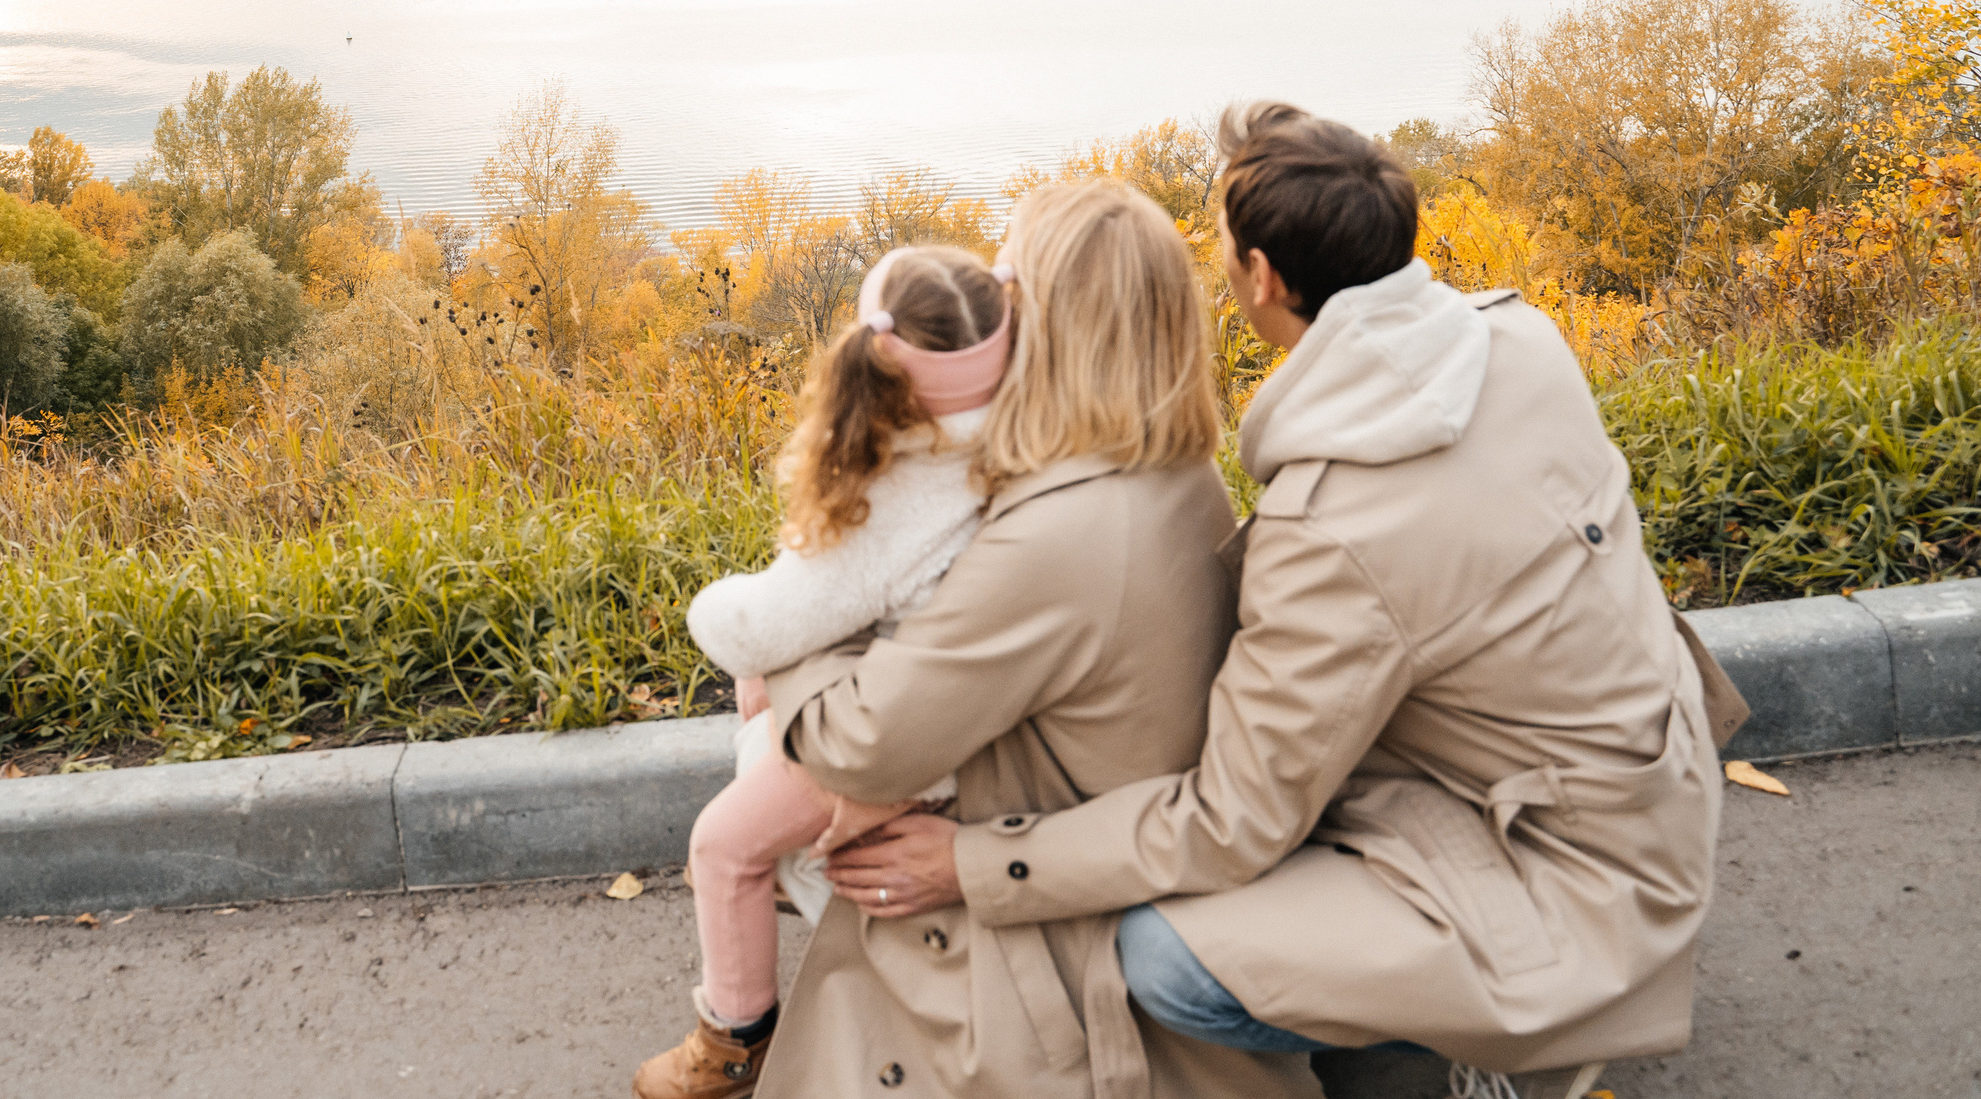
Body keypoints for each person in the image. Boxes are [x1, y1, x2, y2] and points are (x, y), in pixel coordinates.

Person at [811, 105, 1750, 1099]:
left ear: (1260, 275)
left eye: (1218, 240)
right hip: (1650, 781)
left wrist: (976, 863)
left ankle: (1448, 1055)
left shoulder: (1333, 523)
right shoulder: (1516, 338)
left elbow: (1227, 824)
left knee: (1162, 956)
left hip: (1567, 872)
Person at [752, 183, 1321, 1099]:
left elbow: (858, 742)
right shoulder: (1172, 466)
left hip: (1061, 969)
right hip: (1110, 874)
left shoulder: (1064, 534)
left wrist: (782, 631)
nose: (990, 306)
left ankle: (733, 1031)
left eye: (1005, 282)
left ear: (1055, 318)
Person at [634, 244, 1013, 1099]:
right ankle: (797, 877)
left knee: (722, 844)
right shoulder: (1016, 439)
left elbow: (757, 627)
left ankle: (733, 1039)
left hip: (904, 742)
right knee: (767, 708)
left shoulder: (903, 490)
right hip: (966, 715)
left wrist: (711, 607)